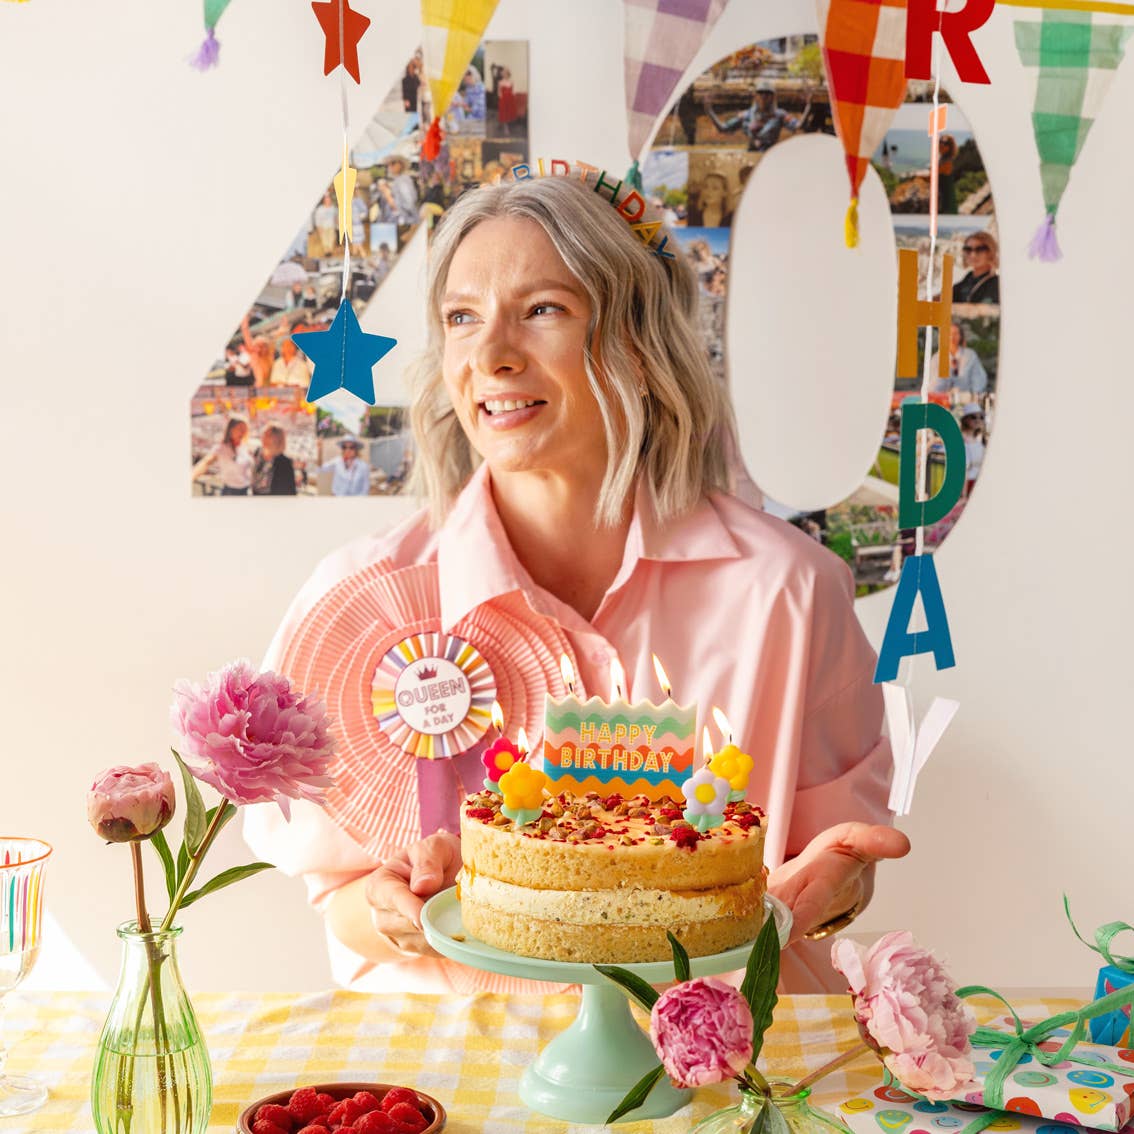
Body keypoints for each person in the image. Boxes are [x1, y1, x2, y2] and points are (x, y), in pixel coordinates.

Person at [244, 174, 907, 996]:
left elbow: (834, 863)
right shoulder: (361, 600)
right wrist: (385, 909)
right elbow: (334, 891)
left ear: (635, 340)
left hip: (700, 1072)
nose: (490, 356)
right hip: (457, 1074)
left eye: (542, 309)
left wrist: (838, 885)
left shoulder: (790, 594)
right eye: (462, 317)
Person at [704, 83, 802, 152]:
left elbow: (798, 126)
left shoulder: (780, 114)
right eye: (761, 94)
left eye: (767, 94)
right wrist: (709, 110)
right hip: (752, 155)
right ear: (756, 96)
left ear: (773, 97)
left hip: (770, 155)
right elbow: (723, 128)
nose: (763, 97)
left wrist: (808, 107)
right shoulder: (746, 115)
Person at [192, 415, 252, 495]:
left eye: (244, 429)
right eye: (240, 428)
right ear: (231, 430)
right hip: (230, 492)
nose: (243, 432)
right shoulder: (221, 448)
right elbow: (205, 463)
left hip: (246, 490)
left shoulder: (244, 447)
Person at [930, 322, 988, 400]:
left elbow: (979, 379)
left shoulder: (970, 355)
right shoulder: (936, 358)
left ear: (960, 336)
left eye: (955, 333)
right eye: (949, 334)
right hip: (943, 400)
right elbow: (933, 386)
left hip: (966, 399)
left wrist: (973, 397)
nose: (952, 337)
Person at [952, 230, 999, 304]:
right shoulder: (967, 280)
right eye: (968, 249)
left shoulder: (997, 284)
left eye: (980, 249)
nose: (972, 255)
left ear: (990, 252)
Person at [252, 425, 298, 496]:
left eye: (269, 436)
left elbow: (290, 490)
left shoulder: (284, 462)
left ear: (277, 440)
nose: (264, 438)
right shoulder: (258, 453)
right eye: (264, 434)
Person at [960, 403, 985, 498]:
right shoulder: (961, 440)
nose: (978, 420)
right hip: (970, 486)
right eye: (973, 417)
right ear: (966, 419)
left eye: (981, 417)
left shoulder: (980, 439)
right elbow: (964, 470)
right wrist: (964, 496)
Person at [937, 134, 958, 215]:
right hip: (943, 196)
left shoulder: (948, 162)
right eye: (940, 142)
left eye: (945, 143)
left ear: (950, 146)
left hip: (946, 199)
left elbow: (934, 175)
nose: (941, 144)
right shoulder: (943, 158)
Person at [495, 66, 518, 137]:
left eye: (506, 73)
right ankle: (505, 127)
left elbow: (513, 90)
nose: (505, 74)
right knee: (504, 113)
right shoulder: (500, 82)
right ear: (502, 74)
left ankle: (505, 124)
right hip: (503, 99)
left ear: (508, 74)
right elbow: (499, 92)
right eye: (504, 73)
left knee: (509, 113)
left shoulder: (512, 81)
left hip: (510, 98)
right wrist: (501, 98)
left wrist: (513, 97)